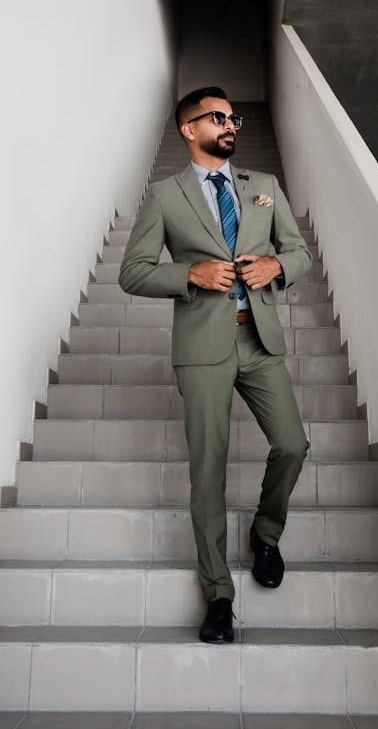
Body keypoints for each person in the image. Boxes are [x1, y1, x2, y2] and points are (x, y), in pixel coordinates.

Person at [119, 87, 312, 643]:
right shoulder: (164, 196)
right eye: (219, 117)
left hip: (260, 342)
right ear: (189, 129)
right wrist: (189, 276)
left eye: (235, 117)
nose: (231, 124)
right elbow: (132, 272)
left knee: (293, 445)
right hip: (203, 348)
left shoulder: (264, 188)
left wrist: (275, 264)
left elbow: (299, 251)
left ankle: (266, 533)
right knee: (209, 472)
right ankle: (218, 595)